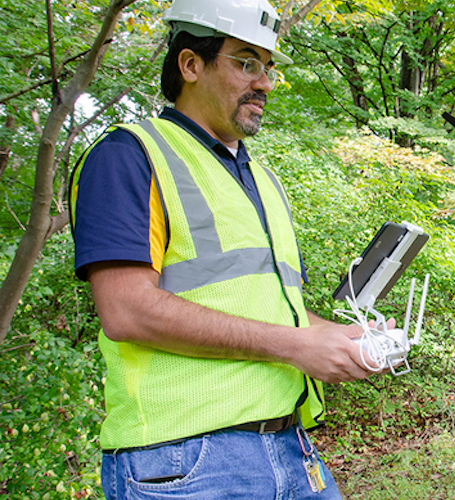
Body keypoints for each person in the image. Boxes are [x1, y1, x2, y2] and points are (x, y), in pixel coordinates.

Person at [68, 0, 377, 497]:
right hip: (183, 461)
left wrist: (337, 338)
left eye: (268, 66)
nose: (265, 82)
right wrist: (298, 346)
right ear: (191, 65)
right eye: (246, 62)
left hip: (290, 446)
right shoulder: (129, 156)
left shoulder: (261, 178)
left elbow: (267, 309)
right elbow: (126, 310)